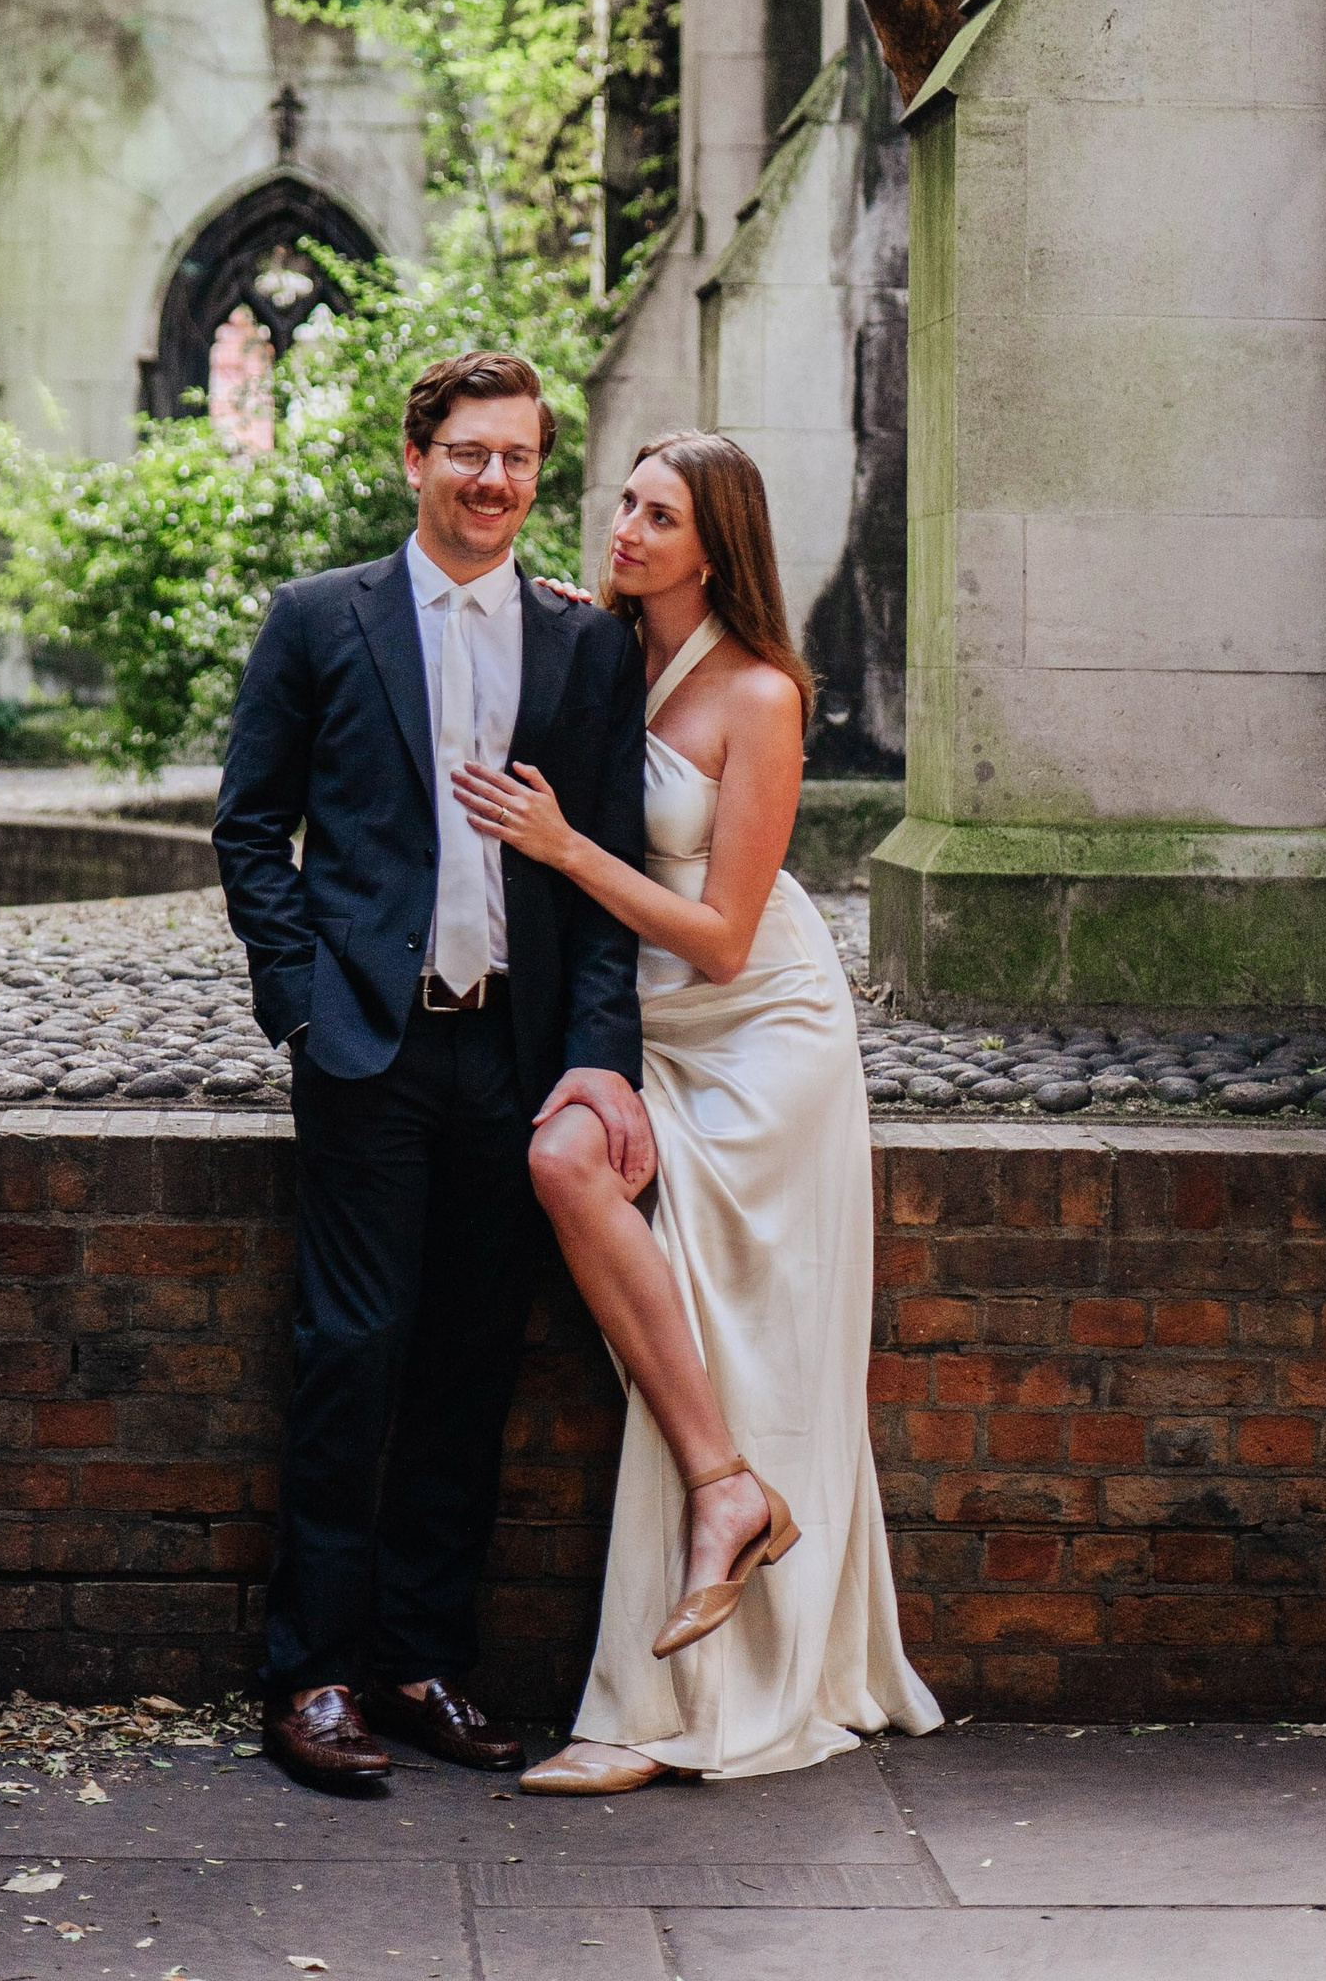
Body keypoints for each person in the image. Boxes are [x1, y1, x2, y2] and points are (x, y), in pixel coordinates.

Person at [451, 426, 941, 1788]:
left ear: (717, 544)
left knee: (748, 1328)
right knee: (570, 1169)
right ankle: (730, 1494)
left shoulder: (762, 696)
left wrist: (562, 846)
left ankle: (679, 1698)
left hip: (759, 1035)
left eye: (657, 515)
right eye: (623, 502)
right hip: (643, 1019)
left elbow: (727, 935)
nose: (624, 527)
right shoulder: (605, 654)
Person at [213, 347, 651, 1800]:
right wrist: (299, 1003)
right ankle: (314, 1674)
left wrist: (596, 1061)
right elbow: (250, 827)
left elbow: (604, 886)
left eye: (520, 458)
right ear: (417, 459)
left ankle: (418, 1664)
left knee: (473, 1359)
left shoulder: (585, 646)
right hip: (370, 1045)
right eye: (469, 452)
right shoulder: (319, 621)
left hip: (514, 1057)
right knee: (353, 1351)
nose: (494, 480)